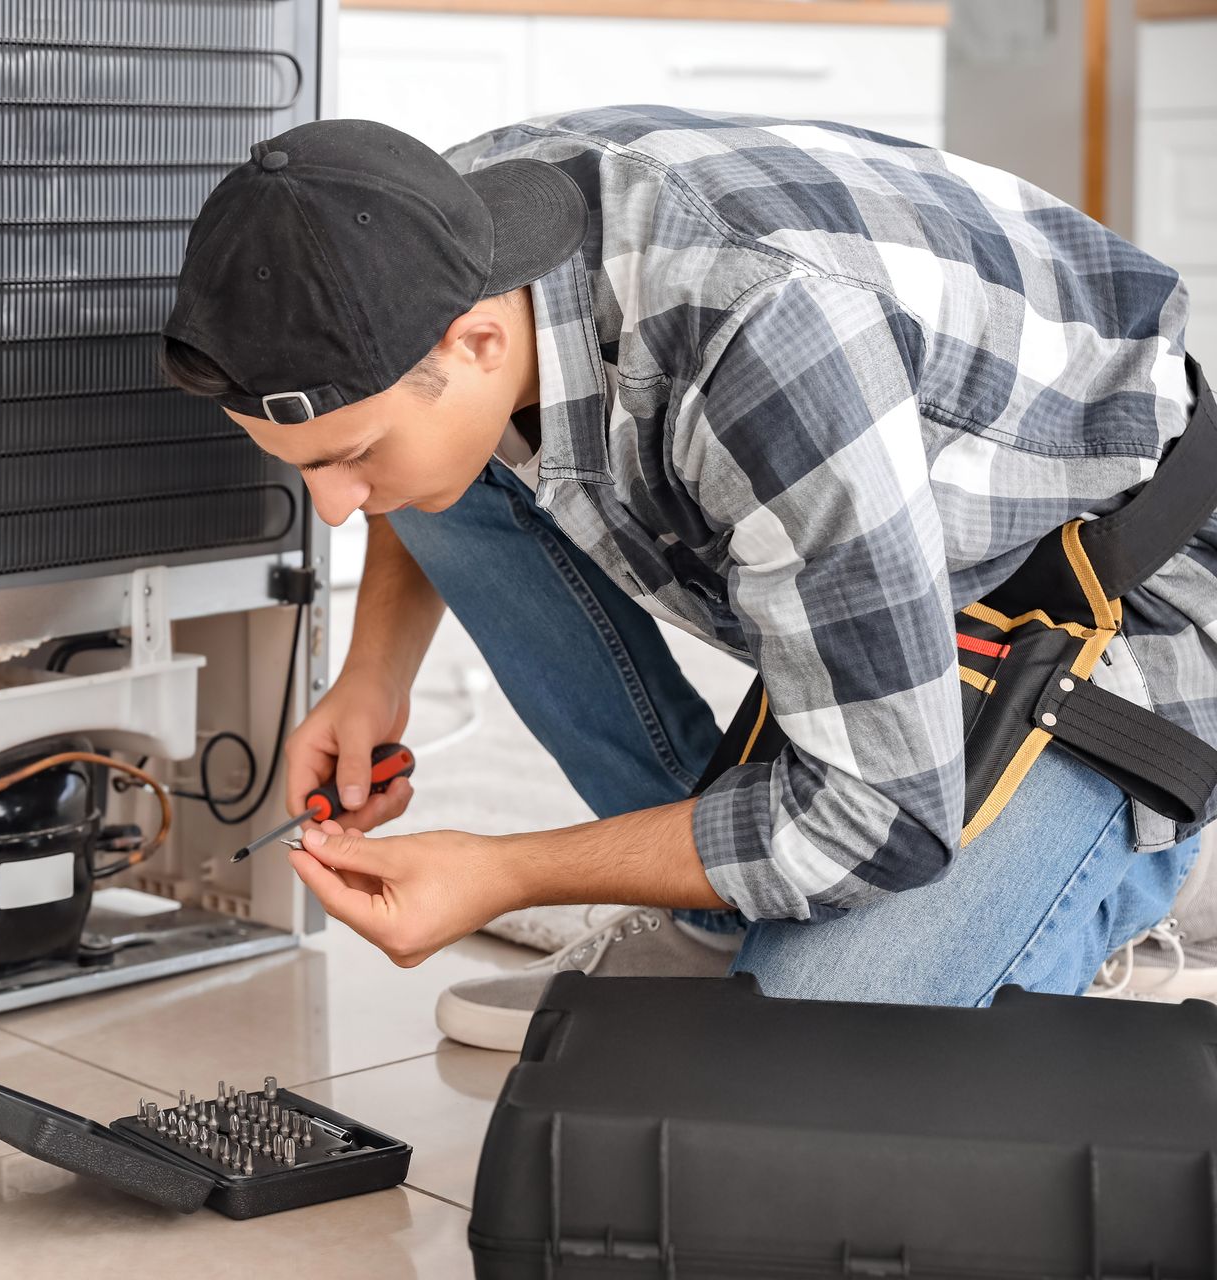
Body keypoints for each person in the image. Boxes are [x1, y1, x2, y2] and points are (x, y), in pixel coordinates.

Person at [159, 108, 1212, 1051]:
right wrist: (372, 674)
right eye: (304, 466)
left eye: (351, 456)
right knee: (441, 467)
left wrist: (509, 867)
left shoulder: (769, 339)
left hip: (1111, 602)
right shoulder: (432, 227)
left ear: (477, 339)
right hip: (885, 530)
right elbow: (419, 439)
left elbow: (881, 815)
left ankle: (1114, 868)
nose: (334, 508)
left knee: (802, 1069)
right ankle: (720, 909)